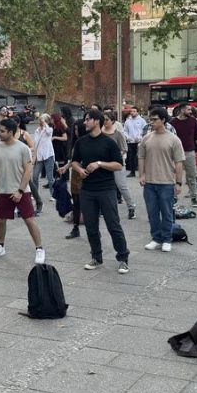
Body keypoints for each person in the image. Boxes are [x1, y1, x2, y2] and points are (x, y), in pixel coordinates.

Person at [72, 109, 130, 274]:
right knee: (91, 226)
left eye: (87, 119)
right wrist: (79, 170)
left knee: (113, 225)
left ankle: (123, 258)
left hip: (106, 189)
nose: (85, 122)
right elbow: (75, 161)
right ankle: (96, 257)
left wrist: (99, 163)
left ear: (96, 121)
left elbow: (118, 165)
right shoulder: (81, 142)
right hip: (87, 190)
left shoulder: (109, 142)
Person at [0, 117, 45, 264]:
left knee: (29, 220)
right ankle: (0, 246)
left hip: (21, 191)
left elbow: (28, 169)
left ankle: (39, 249)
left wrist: (20, 190)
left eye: (2, 131)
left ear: (11, 132)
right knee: (0, 219)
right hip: (2, 190)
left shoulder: (22, 148)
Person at [138, 107, 184, 252]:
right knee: (152, 213)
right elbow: (141, 157)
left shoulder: (173, 139)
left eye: (155, 119)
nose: (152, 122)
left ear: (163, 120)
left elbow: (179, 162)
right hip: (150, 183)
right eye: (150, 119)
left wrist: (178, 182)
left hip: (167, 182)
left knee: (167, 213)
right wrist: (141, 175)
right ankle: (156, 238)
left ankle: (167, 238)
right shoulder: (146, 138)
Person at [102, 111, 137, 219]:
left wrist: (116, 157)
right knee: (104, 187)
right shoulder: (100, 134)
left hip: (117, 164)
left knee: (121, 186)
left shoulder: (118, 134)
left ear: (112, 121)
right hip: (103, 164)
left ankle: (131, 207)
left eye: (107, 119)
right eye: (103, 119)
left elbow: (124, 149)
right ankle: (103, 209)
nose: (105, 122)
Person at [169, 104, 197, 207]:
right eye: (188, 109)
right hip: (175, 152)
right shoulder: (172, 123)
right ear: (182, 110)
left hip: (189, 151)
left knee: (192, 175)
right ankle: (174, 196)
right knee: (173, 174)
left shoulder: (193, 121)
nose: (190, 111)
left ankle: (194, 197)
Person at [32, 113, 56, 196]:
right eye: (40, 119)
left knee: (50, 178)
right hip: (39, 157)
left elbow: (49, 132)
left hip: (48, 156)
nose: (40, 121)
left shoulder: (49, 129)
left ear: (46, 121)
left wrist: (45, 124)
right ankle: (35, 194)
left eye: (42, 120)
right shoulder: (37, 131)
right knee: (34, 176)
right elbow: (35, 143)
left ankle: (53, 194)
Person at [123, 106, 146, 177]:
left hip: (140, 142)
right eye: (131, 111)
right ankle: (132, 172)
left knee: (140, 156)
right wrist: (127, 137)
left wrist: (140, 137)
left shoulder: (142, 120)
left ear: (137, 112)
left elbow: (145, 130)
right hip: (131, 142)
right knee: (131, 157)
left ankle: (142, 172)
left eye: (134, 111)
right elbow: (125, 131)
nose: (132, 113)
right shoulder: (128, 121)